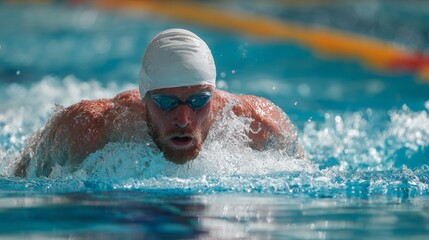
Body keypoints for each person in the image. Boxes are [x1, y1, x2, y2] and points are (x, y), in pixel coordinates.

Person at [15, 28, 305, 177]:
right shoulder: (90, 129)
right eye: (166, 102)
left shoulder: (259, 123)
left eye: (198, 100)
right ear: (144, 99)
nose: (183, 118)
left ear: (214, 95)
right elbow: (22, 176)